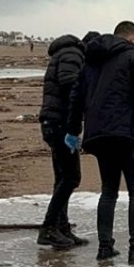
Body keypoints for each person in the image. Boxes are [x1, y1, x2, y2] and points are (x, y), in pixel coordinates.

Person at [65, 21, 134, 263]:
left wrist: (73, 131)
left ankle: (105, 247)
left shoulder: (90, 59)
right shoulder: (132, 55)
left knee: (109, 191)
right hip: (129, 133)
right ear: (132, 38)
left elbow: (77, 98)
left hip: (100, 135)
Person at [35, 32, 92, 249]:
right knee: (71, 177)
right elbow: (70, 83)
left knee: (62, 178)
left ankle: (61, 227)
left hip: (53, 122)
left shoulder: (64, 53)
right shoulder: (73, 53)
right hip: (59, 123)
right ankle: (48, 228)